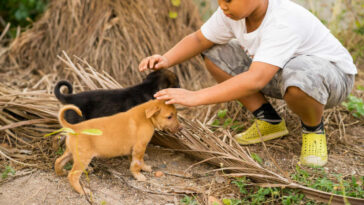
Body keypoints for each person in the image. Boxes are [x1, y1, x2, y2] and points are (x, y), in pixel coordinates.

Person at [138, 0, 357, 167]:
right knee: (214, 51)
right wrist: (166, 59)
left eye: (229, 0)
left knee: (299, 74)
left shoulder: (283, 19)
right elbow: (199, 40)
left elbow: (256, 79)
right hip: (281, 71)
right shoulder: (230, 13)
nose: (222, 5)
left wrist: (195, 97)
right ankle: (268, 120)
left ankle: (313, 130)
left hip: (330, 79)